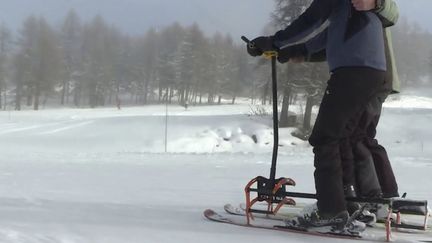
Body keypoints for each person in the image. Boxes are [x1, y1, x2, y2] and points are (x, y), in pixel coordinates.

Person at [247, 0, 390, 231]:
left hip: (352, 72)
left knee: (324, 138)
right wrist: (287, 52)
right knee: (342, 137)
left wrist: (273, 40)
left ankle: (330, 211)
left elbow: (310, 20)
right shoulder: (349, 12)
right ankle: (347, 204)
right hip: (373, 74)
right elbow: (331, 37)